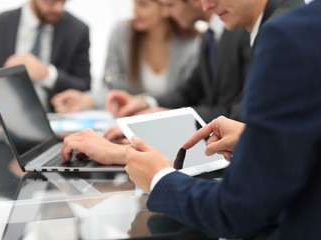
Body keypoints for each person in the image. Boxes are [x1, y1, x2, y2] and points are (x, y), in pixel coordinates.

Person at [124, 0, 321, 239]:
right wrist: (254, 137)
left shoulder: (288, 34)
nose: (206, 6)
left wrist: (159, 178)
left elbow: (237, 212)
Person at [104, 0, 304, 122]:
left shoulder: (270, 29)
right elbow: (191, 90)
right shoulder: (210, 34)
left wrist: (166, 118)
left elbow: (239, 114)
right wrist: (146, 104)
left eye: (169, 5)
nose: (205, 5)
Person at [51, 0, 201, 113]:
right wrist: (86, 100)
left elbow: (187, 96)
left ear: (166, 7)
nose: (134, 10)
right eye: (134, 3)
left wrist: (145, 104)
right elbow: (111, 87)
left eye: (143, 5)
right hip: (126, 122)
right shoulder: (121, 34)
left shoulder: (194, 44)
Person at [0, 0, 91, 116]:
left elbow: (84, 86)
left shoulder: (78, 30)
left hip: (55, 124)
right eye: (51, 1)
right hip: (2, 125)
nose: (58, 8)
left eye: (63, 1)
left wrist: (47, 74)